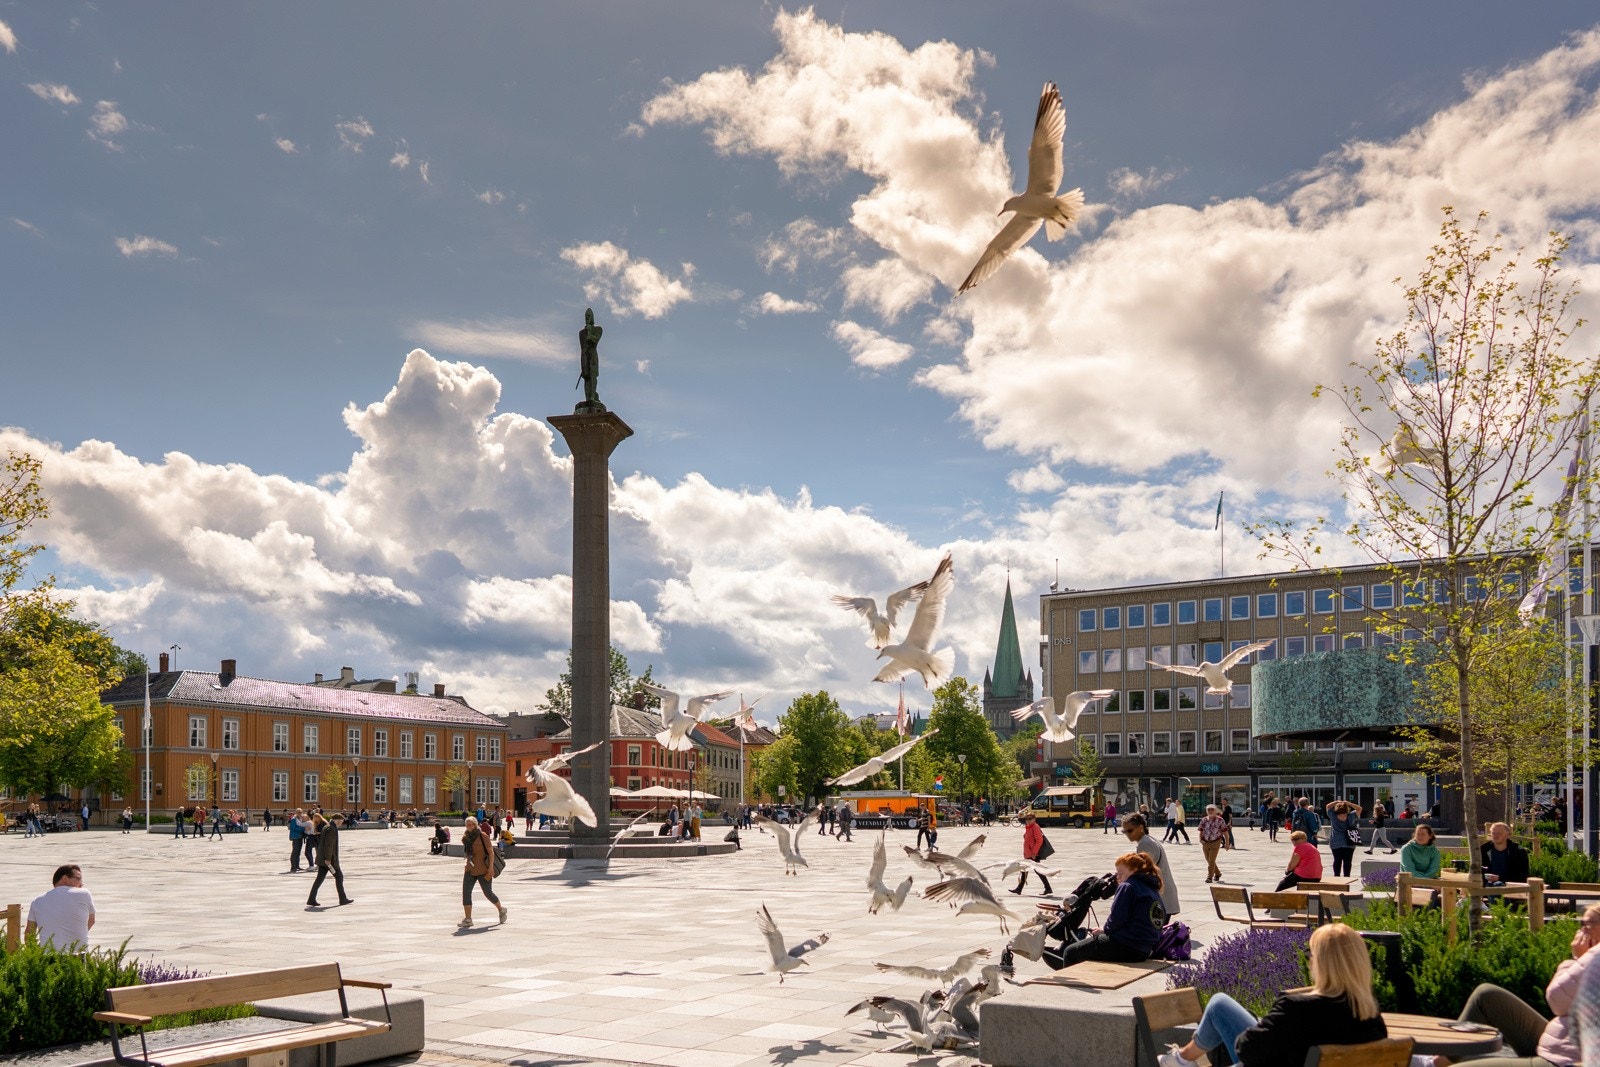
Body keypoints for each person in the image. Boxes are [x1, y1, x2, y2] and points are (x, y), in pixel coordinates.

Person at [1158, 923, 1386, 1067]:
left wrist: (1267, 1026)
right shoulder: (1371, 1014)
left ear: (1322, 963)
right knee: (1219, 1003)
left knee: (1220, 1005)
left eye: (1310, 955)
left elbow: (1246, 1050)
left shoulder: (1296, 1008)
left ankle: (1181, 1060)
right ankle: (1181, 1060)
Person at [1449, 903, 1600, 1066]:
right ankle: (1441, 1059)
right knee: (1486, 995)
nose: (1581, 930)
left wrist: (1577, 959)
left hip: (1566, 1060)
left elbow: (1556, 999)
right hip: (1564, 1043)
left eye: (1586, 924)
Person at [1042, 852, 1164, 970]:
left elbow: (1117, 919)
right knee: (1090, 948)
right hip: (1145, 949)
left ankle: (1073, 988)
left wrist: (1104, 930)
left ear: (1134, 870)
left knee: (1070, 952)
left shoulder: (1128, 886)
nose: (1118, 877)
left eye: (1120, 872)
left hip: (1127, 946)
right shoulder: (1151, 888)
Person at [1121, 813, 1179, 917]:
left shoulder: (1146, 844)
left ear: (1140, 827)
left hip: (1160, 897)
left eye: (1130, 830)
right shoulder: (1147, 840)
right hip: (1160, 895)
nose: (1127, 834)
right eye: (1124, 831)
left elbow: (1143, 872)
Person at [26, 864, 96, 950]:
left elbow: (29, 933)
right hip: (77, 954)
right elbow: (92, 920)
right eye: (78, 879)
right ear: (65, 879)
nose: (81, 884)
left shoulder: (37, 901)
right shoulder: (84, 894)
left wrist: (34, 953)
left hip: (48, 954)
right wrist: (77, 935)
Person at [459, 814, 506, 929]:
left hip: (484, 870)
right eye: (467, 825)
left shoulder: (482, 836)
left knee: (488, 893)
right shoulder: (466, 838)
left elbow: (491, 852)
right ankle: (468, 919)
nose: (469, 827)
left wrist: (490, 868)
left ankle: (501, 910)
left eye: (471, 825)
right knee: (466, 892)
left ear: (475, 825)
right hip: (470, 869)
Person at [305, 813, 352, 908]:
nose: (341, 823)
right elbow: (329, 845)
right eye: (341, 821)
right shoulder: (331, 829)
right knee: (339, 877)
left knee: (319, 879)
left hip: (322, 859)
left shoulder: (327, 827)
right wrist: (328, 859)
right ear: (337, 820)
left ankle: (311, 899)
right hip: (329, 860)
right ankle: (342, 899)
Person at [1009, 811, 1055, 896]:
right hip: (1028, 853)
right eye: (1026, 819)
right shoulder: (1029, 827)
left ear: (1034, 819)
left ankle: (1047, 888)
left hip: (1033, 854)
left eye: (1030, 819)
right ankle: (1020, 889)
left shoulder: (1035, 827)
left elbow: (1039, 841)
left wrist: (1034, 852)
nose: (1028, 820)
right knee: (1026, 870)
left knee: (1036, 870)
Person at [1481, 821, 1529, 886]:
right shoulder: (1484, 849)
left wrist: (1499, 878)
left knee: (1497, 885)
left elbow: (1522, 875)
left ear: (1507, 834)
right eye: (1493, 833)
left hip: (1510, 885)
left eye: (1499, 833)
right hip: (1487, 884)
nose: (1496, 836)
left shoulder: (1518, 851)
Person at [1325, 800, 1362, 878]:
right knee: (1347, 862)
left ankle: (1337, 877)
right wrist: (1350, 803)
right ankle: (1346, 877)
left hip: (1336, 842)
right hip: (1349, 842)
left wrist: (1336, 801)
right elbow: (1359, 809)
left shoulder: (1333, 816)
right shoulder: (1351, 816)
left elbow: (1328, 806)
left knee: (1337, 861)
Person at [1198, 804, 1227, 884]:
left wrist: (1227, 843)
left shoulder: (1220, 820)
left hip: (1216, 842)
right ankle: (1217, 873)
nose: (1210, 811)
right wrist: (1200, 840)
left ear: (1215, 811)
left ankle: (1209, 877)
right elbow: (1201, 830)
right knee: (1208, 859)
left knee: (1211, 860)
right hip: (1205, 842)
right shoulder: (1204, 820)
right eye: (1209, 810)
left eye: (1212, 810)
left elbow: (1225, 832)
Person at [287, 808, 307, 872]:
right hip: (295, 837)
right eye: (298, 812)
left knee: (298, 852)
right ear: (296, 812)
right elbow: (295, 828)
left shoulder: (301, 819)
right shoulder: (293, 820)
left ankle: (297, 865)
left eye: (301, 812)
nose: (300, 813)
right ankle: (293, 866)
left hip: (300, 837)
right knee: (295, 852)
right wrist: (304, 828)